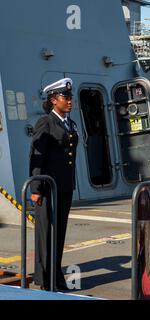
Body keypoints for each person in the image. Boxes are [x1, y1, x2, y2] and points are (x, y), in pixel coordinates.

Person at [29, 78, 79, 291]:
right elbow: (36, 156)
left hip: (64, 187)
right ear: (53, 99)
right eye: (65, 97)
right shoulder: (46, 122)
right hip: (48, 187)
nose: (70, 101)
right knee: (46, 234)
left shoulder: (69, 123)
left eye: (70, 97)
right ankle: (45, 279)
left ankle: (56, 276)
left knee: (59, 233)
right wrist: (36, 188)